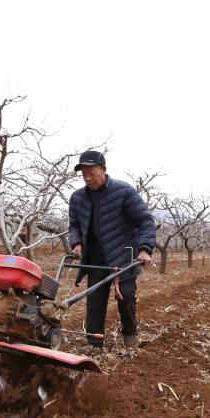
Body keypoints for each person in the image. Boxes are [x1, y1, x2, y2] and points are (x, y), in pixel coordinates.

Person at [67, 150, 155, 351]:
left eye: (92, 173)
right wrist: (77, 243)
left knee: (125, 296)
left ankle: (130, 334)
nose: (88, 178)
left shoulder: (124, 192)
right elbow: (74, 225)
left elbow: (145, 221)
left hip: (123, 254)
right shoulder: (78, 198)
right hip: (95, 257)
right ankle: (94, 342)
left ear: (104, 170)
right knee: (95, 299)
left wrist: (144, 249)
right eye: (84, 174)